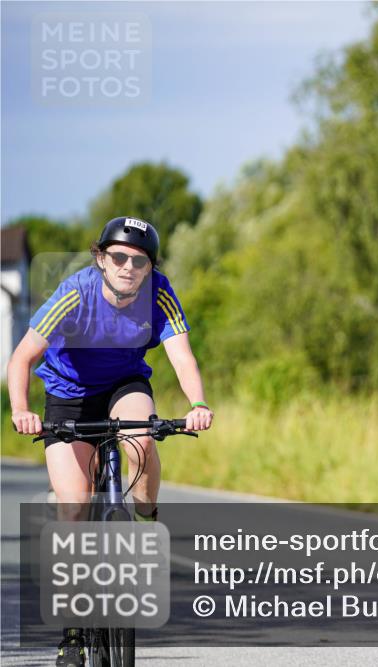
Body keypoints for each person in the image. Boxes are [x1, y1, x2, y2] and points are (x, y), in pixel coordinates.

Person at [7, 216, 213, 667]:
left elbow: (181, 353)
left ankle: (145, 517)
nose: (127, 267)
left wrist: (197, 402)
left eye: (139, 261)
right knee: (74, 506)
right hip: (68, 396)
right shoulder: (76, 293)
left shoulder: (159, 292)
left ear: (149, 267)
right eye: (117, 257)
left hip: (125, 384)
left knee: (141, 436)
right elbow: (22, 357)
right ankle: (74, 634)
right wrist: (22, 410)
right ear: (101, 258)